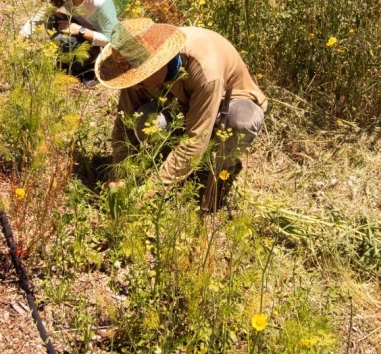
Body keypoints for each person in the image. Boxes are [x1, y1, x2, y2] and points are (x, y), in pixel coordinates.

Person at [95, 17, 267, 211]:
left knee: (239, 123)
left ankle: (222, 169)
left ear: (160, 61)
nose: (136, 86)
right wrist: (119, 173)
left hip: (227, 103)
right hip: (181, 107)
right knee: (146, 121)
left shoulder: (205, 70)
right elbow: (124, 124)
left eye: (141, 78)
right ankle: (170, 159)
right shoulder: (134, 71)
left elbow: (196, 139)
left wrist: (151, 190)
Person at [20, 0, 119, 78]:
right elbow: (39, 16)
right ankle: (69, 58)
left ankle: (86, 64)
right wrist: (20, 40)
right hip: (77, 29)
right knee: (52, 21)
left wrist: (80, 30)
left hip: (97, 41)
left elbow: (113, 40)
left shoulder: (100, 1)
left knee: (70, 45)